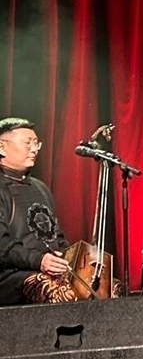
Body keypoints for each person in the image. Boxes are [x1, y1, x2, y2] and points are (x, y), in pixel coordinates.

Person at [0, 116, 75, 305]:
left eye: (36, 143)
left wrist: (72, 257)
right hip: (9, 275)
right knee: (58, 291)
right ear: (2, 147)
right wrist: (39, 260)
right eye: (27, 143)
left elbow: (56, 236)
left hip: (45, 269)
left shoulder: (40, 187)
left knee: (109, 287)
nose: (34, 149)